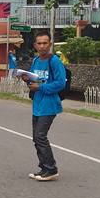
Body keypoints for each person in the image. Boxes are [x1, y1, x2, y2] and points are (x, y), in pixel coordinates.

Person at [22, 32, 65, 182]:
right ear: (35, 45)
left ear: (50, 44)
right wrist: (27, 79)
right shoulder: (35, 61)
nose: (42, 46)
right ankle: (44, 167)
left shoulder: (54, 61)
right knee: (36, 137)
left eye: (45, 43)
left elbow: (60, 83)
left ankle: (51, 168)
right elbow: (35, 80)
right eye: (39, 43)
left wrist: (40, 87)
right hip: (37, 104)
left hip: (50, 105)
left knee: (40, 136)